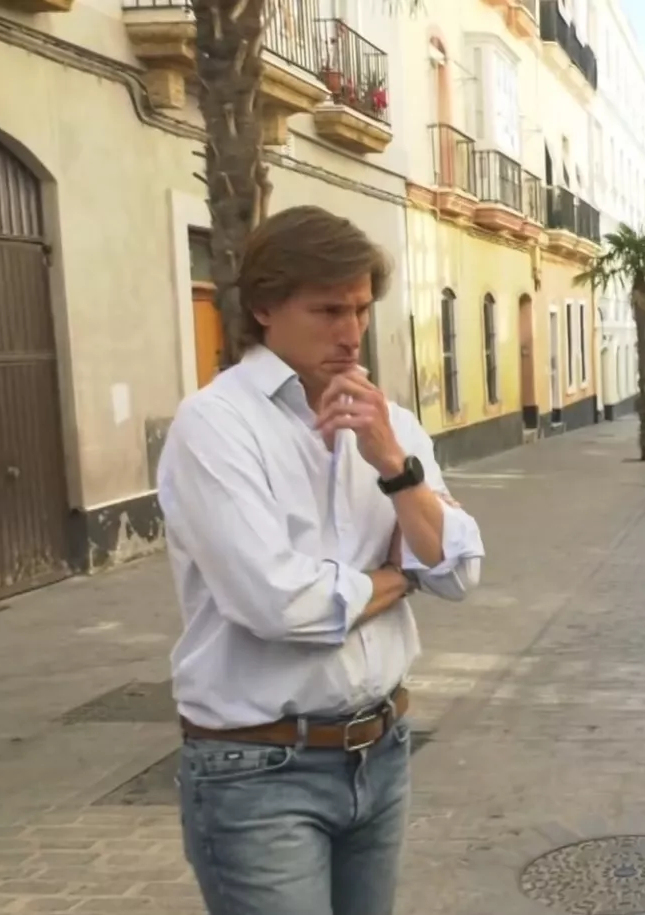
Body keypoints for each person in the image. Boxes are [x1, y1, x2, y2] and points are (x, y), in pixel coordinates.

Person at [157, 206, 486, 915]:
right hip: (257, 770)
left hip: (381, 750)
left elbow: (460, 569)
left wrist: (395, 468)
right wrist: (400, 576)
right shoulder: (216, 425)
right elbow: (276, 603)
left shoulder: (387, 422)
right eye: (329, 309)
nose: (352, 332)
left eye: (362, 309)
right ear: (266, 307)